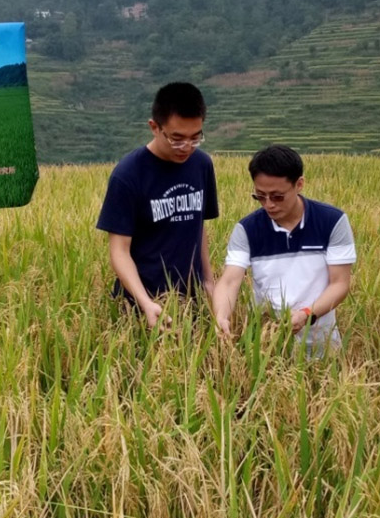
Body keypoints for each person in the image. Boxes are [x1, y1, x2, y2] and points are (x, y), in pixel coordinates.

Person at [96, 82, 218, 326]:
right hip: (139, 308)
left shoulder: (202, 165)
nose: (186, 147)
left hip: (190, 305)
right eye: (177, 138)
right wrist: (145, 302)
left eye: (195, 138)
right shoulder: (128, 174)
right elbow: (119, 250)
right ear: (154, 127)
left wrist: (209, 283)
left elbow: (198, 228)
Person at [213, 145, 355, 352]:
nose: (268, 204)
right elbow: (229, 280)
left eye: (277, 196)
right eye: (260, 196)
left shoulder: (332, 221)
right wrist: (221, 316)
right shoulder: (247, 229)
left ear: (299, 184)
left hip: (321, 340)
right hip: (266, 340)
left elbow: (340, 284)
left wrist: (307, 314)